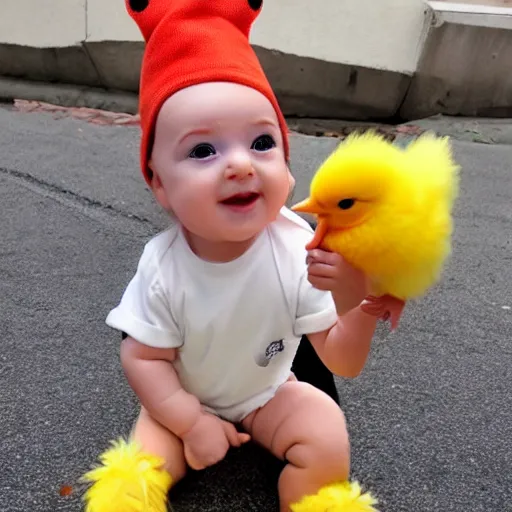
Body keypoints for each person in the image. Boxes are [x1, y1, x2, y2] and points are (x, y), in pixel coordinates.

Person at [97, 1, 380, 510]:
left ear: (288, 169)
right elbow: (143, 358)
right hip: (183, 396)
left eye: (262, 142)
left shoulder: (296, 245)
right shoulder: (164, 267)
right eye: (203, 150)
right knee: (138, 475)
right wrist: (190, 420)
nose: (240, 165)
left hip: (267, 392)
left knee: (326, 433)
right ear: (159, 183)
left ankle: (309, 500)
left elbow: (341, 358)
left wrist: (359, 303)